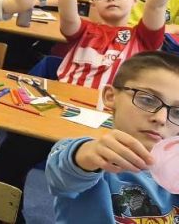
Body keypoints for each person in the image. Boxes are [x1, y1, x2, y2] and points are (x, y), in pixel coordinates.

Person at [0, 0, 179, 223]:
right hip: (59, 115)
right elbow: (68, 16)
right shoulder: (85, 31)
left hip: (109, 124)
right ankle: (8, 218)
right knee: (9, 157)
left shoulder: (143, 36)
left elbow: (156, 6)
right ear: (92, 1)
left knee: (99, 182)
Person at [46, 51, 179, 224]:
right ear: (110, 96)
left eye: (177, 112)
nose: (161, 118)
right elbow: (64, 173)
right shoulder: (91, 158)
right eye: (147, 100)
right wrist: (88, 155)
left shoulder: (173, 172)